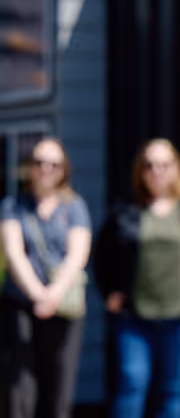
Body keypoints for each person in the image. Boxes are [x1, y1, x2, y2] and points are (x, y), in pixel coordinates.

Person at [94, 138, 180, 418]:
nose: (157, 172)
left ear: (176, 168)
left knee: (172, 389)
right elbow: (101, 255)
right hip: (134, 317)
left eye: (164, 165)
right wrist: (108, 293)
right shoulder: (125, 211)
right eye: (149, 165)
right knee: (132, 382)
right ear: (140, 171)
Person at [0, 138, 92, 418]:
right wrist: (38, 294)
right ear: (30, 167)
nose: (46, 169)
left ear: (63, 169)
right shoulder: (13, 204)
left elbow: (78, 255)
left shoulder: (74, 206)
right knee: (19, 388)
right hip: (20, 303)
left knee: (59, 386)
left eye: (53, 164)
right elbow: (14, 254)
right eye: (39, 162)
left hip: (64, 306)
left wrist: (54, 294)